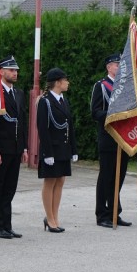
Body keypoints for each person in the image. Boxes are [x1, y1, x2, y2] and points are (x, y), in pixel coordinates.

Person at [0, 55, 28, 239]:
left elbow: (23, 121)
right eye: (11, 70)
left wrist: (25, 147)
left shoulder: (18, 93)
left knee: (10, 188)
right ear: (1, 72)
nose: (15, 73)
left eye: (16, 70)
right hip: (1, 148)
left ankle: (7, 224)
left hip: (16, 147)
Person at [91, 53, 132, 228]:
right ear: (109, 67)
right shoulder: (101, 86)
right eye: (117, 65)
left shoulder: (126, 87)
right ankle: (102, 214)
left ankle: (115, 211)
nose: (119, 67)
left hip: (123, 139)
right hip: (108, 138)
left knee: (119, 177)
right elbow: (95, 112)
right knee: (106, 177)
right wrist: (112, 116)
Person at [36, 68, 78, 233]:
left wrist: (73, 149)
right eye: (65, 80)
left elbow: (70, 127)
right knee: (50, 181)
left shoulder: (64, 101)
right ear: (58, 82)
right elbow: (43, 129)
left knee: (60, 181)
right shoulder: (45, 101)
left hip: (64, 148)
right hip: (52, 149)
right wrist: (47, 153)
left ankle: (54, 216)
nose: (67, 83)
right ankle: (50, 217)